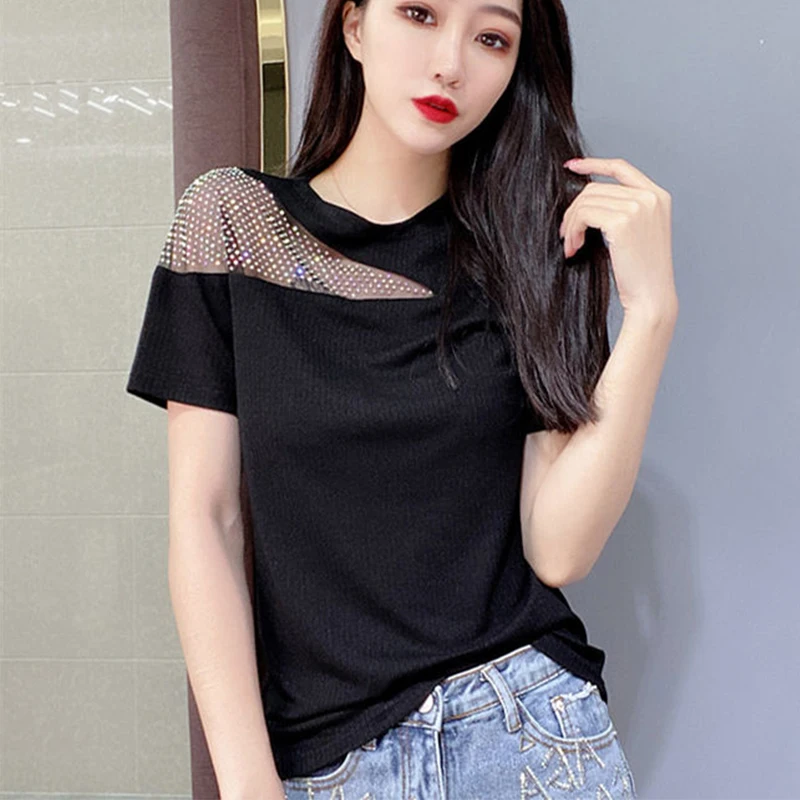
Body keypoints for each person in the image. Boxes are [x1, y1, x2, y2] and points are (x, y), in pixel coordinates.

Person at [126, 0, 677, 797]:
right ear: (353, 26)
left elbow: (558, 550)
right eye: (419, 13)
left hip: (526, 734)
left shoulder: (530, 249)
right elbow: (205, 520)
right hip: (328, 761)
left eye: (492, 38)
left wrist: (652, 313)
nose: (451, 63)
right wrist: (247, 783)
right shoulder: (232, 224)